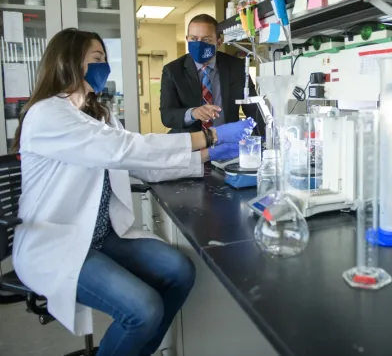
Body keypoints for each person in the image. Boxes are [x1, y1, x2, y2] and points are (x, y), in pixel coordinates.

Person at [11, 28, 255, 356]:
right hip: (56, 242)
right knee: (143, 309)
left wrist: (210, 157)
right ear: (68, 62)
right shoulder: (47, 114)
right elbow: (126, 149)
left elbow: (144, 165)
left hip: (103, 236)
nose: (103, 67)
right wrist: (209, 137)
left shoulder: (100, 116)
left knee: (179, 271)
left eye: (104, 59)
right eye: (96, 59)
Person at [160, 13, 264, 135]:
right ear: (187, 39)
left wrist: (261, 141)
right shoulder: (172, 71)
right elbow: (167, 116)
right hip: (190, 143)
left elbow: (253, 110)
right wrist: (193, 113)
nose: (199, 44)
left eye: (206, 40)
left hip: (227, 141)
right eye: (193, 39)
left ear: (218, 42)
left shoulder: (236, 67)